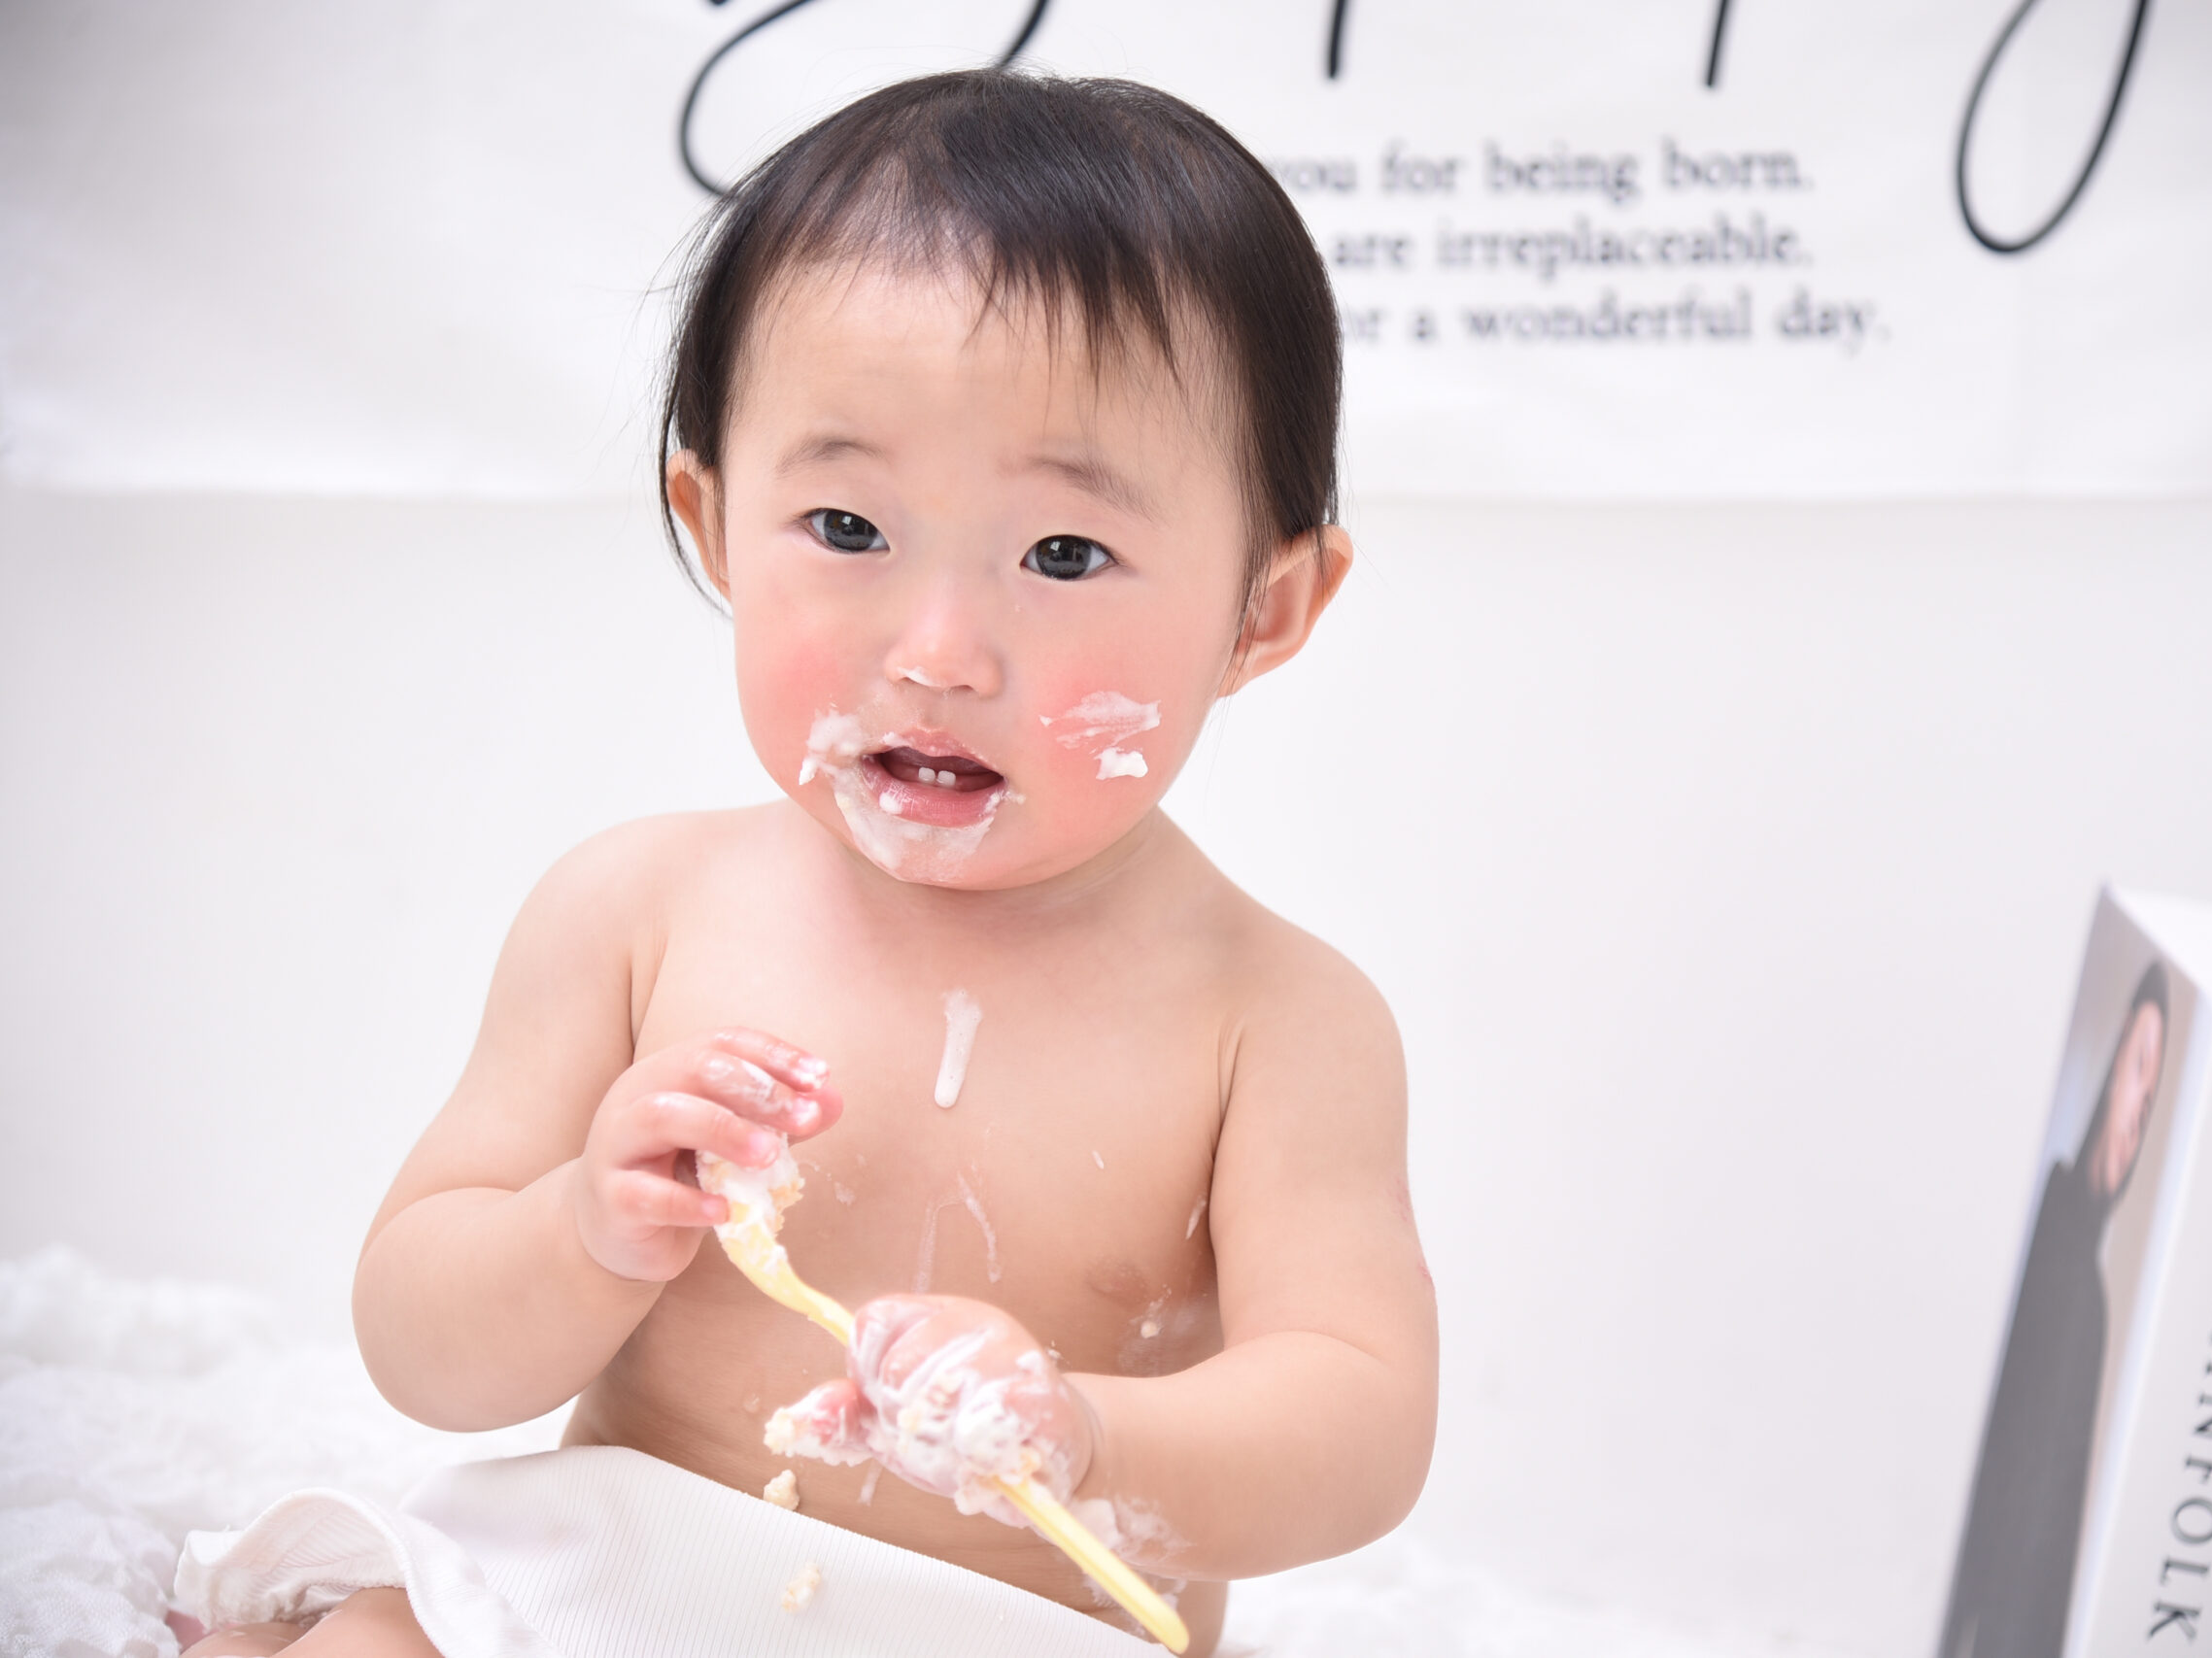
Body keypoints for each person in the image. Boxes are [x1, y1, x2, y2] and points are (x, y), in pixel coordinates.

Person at [178, 70, 1437, 1657]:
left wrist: (1085, 1433)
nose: (938, 651)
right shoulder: (638, 913)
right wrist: (581, 1230)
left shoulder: (1276, 1018)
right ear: (711, 520)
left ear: (1264, 610)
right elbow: (421, 1344)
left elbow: (1359, 1422)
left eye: (1063, 553)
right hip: (620, 1595)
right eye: (847, 527)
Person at [1938, 963, 2170, 1658]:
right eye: (2137, 1067)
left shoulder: (2090, 1302)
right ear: (2112, 1057)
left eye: (2152, 1095)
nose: (2136, 1112)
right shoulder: (2034, 1220)